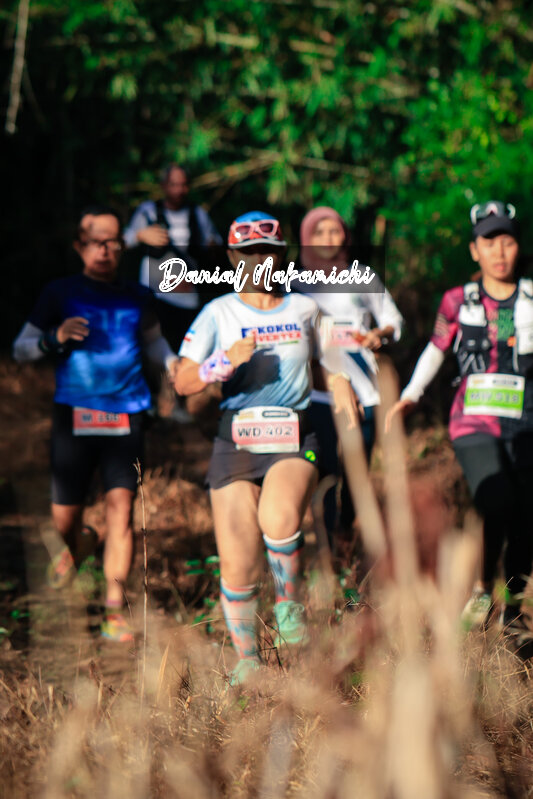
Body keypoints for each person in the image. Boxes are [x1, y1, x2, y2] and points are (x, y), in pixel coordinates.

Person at [175, 211, 360, 685]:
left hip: (294, 436)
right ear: (232, 257)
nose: (259, 260)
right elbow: (183, 380)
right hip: (234, 441)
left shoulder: (304, 309)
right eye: (248, 252)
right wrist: (222, 361)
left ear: (281, 257)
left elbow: (326, 363)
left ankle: (288, 603)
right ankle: (249, 665)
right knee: (237, 565)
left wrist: (341, 387)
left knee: (278, 516)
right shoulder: (218, 312)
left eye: (268, 252)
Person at [13, 207, 178, 642]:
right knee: (63, 522)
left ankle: (113, 610)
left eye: (112, 241)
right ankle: (80, 543)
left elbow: (155, 344)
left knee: (121, 512)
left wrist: (175, 366)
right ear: (79, 246)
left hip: (127, 412)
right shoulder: (59, 292)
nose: (105, 249)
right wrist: (54, 338)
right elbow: (21, 348)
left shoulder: (138, 295)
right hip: (74, 414)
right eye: (95, 241)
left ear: (122, 246)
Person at [386, 201, 533, 633]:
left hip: (526, 422)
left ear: (518, 246)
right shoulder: (457, 300)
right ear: (474, 250)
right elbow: (436, 349)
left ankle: (514, 604)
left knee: (525, 514)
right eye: (489, 242)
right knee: (495, 496)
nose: (499, 251)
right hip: (474, 423)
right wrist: (410, 395)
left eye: (507, 241)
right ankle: (482, 586)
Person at [299, 207, 403, 547]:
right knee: (325, 467)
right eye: (319, 232)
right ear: (306, 237)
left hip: (365, 390)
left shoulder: (363, 277)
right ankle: (328, 541)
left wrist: (379, 334)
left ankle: (347, 525)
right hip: (318, 391)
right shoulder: (294, 284)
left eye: (335, 231)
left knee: (358, 467)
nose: (328, 238)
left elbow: (393, 320)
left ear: (345, 236)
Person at [123, 164, 223, 348]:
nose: (179, 190)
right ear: (163, 186)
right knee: (154, 344)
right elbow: (122, 242)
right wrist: (140, 235)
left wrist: (211, 248)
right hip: (155, 296)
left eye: (184, 185)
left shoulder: (198, 214)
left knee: (186, 346)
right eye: (174, 184)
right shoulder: (147, 211)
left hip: (187, 296)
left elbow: (215, 244)